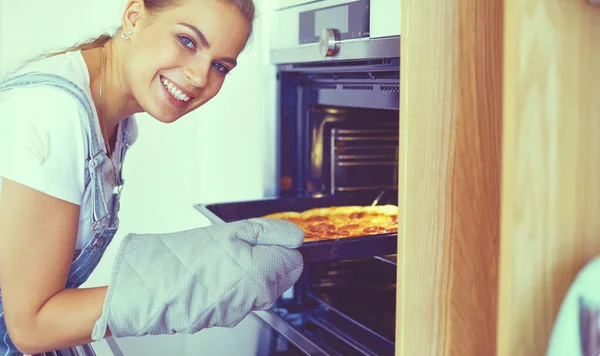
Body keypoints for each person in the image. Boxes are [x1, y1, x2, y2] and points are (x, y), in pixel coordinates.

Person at [0, 0, 304, 355]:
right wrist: (187, 288)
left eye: (220, 66)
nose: (200, 77)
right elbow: (30, 327)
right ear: (134, 16)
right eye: (188, 42)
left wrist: (201, 260)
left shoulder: (118, 120)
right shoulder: (51, 112)